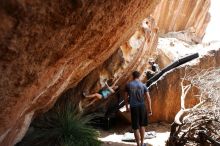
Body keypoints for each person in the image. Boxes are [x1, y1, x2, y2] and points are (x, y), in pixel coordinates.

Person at [124, 71, 152, 146]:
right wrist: (150, 109)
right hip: (142, 106)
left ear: (132, 76)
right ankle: (142, 143)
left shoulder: (128, 85)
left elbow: (125, 98)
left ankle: (138, 144)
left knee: (135, 127)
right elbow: (148, 98)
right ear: (139, 77)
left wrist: (127, 107)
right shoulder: (143, 85)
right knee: (142, 125)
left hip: (133, 107)